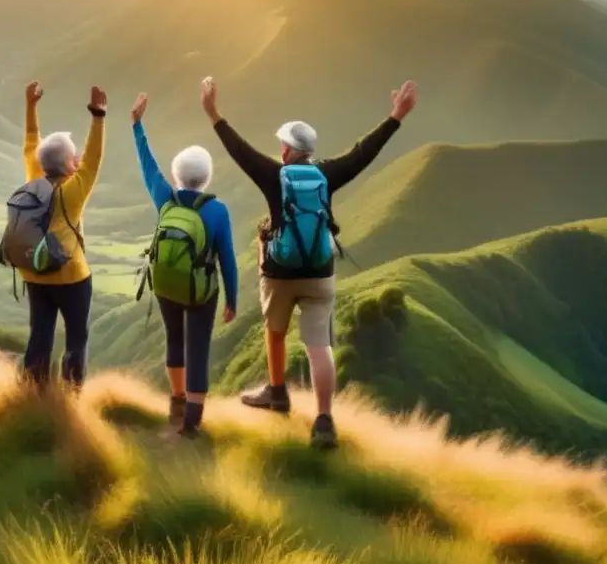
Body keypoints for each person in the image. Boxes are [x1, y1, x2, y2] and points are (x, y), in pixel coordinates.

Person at [200, 76, 417, 449]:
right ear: (310, 151)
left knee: (275, 331)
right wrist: (396, 116)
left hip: (280, 273)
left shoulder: (273, 174)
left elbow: (239, 150)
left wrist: (213, 113)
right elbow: (364, 152)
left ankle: (277, 392)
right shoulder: (327, 174)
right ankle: (323, 420)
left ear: (286, 150)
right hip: (320, 272)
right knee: (320, 346)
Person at [131, 92, 238, 438]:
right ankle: (192, 417)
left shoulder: (165, 198)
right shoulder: (217, 210)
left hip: (164, 284)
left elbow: (148, 167)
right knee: (198, 346)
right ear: (206, 177)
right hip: (201, 291)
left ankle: (176, 399)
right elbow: (228, 261)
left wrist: (137, 126)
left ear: (178, 176)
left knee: (174, 339)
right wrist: (232, 300)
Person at [20, 81, 106, 387]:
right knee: (76, 340)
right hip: (72, 277)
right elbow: (93, 160)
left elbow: (32, 144)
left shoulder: (33, 179)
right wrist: (98, 116)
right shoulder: (74, 192)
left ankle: (31, 395)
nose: (79, 160)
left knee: (39, 336)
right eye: (73, 158)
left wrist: (31, 106)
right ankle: (71, 396)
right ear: (68, 165)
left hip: (35, 274)